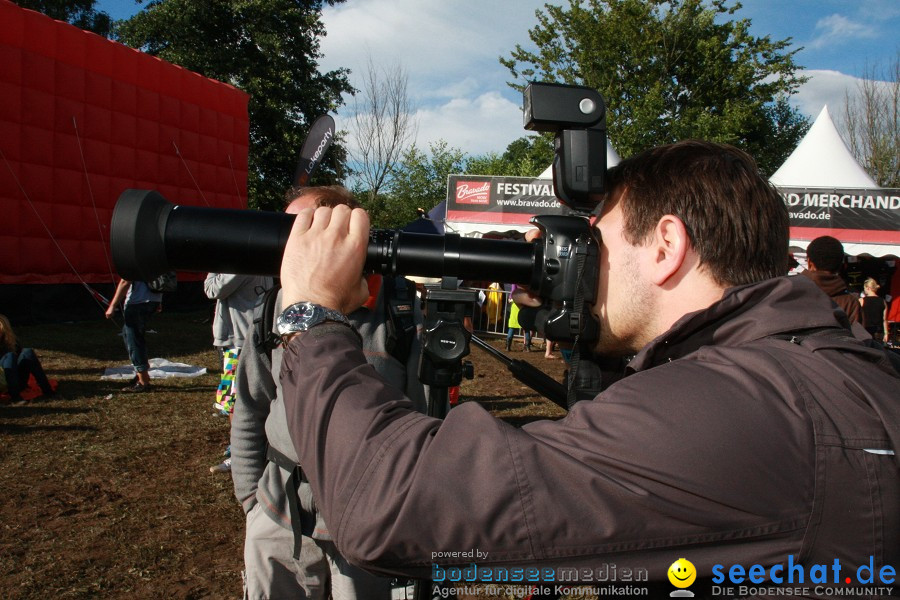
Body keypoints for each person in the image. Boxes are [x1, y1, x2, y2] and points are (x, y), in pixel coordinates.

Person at [275, 141, 899, 589]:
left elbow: (389, 508)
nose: (586, 262)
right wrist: (588, 333)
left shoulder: (738, 409)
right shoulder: (838, 362)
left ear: (665, 246)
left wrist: (312, 314)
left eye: (596, 242)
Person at [230, 185, 427, 600]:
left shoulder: (401, 314)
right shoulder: (273, 309)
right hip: (277, 512)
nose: (290, 246)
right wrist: (250, 499)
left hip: (368, 519)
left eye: (305, 230)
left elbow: (427, 427)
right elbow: (249, 405)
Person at [204, 272, 273, 473]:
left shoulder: (236, 264)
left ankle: (240, 454)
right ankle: (250, 449)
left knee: (234, 399)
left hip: (239, 340)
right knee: (248, 397)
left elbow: (213, 289)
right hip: (251, 335)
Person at [105, 279, 161, 392]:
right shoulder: (153, 260)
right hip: (153, 300)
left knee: (134, 341)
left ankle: (143, 381)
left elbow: (125, 281)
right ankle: (141, 374)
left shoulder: (133, 261)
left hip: (137, 302)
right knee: (129, 335)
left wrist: (112, 305)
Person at [801, 235, 862, 324]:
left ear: (810, 263)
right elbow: (859, 336)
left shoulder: (789, 294)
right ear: (840, 265)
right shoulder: (850, 303)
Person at [0, 314, 54, 404]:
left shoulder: (11, 342)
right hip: (2, 382)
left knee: (27, 352)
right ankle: (15, 397)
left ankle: (47, 390)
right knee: (9, 356)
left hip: (16, 380)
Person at [860, 277, 889, 343]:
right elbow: (884, 319)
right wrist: (886, 333)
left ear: (868, 288)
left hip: (865, 331)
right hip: (878, 332)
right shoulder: (882, 301)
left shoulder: (861, 301)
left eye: (864, 288)